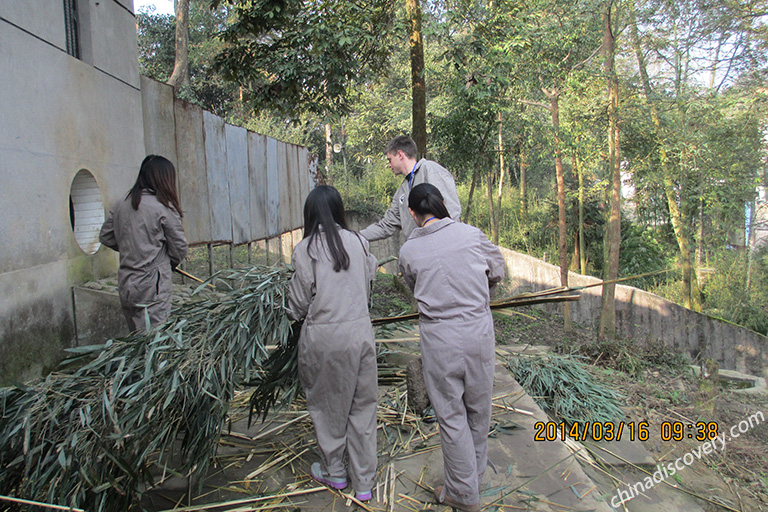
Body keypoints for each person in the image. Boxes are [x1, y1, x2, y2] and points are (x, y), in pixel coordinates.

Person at [398, 183, 506, 512]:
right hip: (478, 331)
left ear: (414, 214)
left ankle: (462, 491)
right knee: (478, 410)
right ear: (443, 203)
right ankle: (472, 479)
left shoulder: (408, 251)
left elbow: (414, 287)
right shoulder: (472, 235)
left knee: (451, 414)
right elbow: (497, 271)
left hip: (439, 337)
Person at [287, 185, 379, 502]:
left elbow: (298, 303)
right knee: (363, 407)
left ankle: (335, 473)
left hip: (324, 338)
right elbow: (369, 281)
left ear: (310, 214)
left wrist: (286, 312)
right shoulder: (359, 242)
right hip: (361, 334)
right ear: (339, 210)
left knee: (328, 408)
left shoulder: (305, 249)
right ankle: (364, 481)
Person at [99, 155, 188, 333]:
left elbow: (106, 237)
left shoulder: (121, 203)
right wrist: (166, 261)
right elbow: (180, 247)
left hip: (127, 282)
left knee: (135, 338)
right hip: (152, 285)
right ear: (164, 178)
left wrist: (131, 247)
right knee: (154, 340)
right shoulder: (162, 208)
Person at [359, 135, 461, 242]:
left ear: (400, 155)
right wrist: (355, 237)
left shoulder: (430, 170)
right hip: (418, 251)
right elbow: (387, 225)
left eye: (390, 160)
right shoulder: (402, 191)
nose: (389, 165)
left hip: (442, 246)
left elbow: (451, 212)